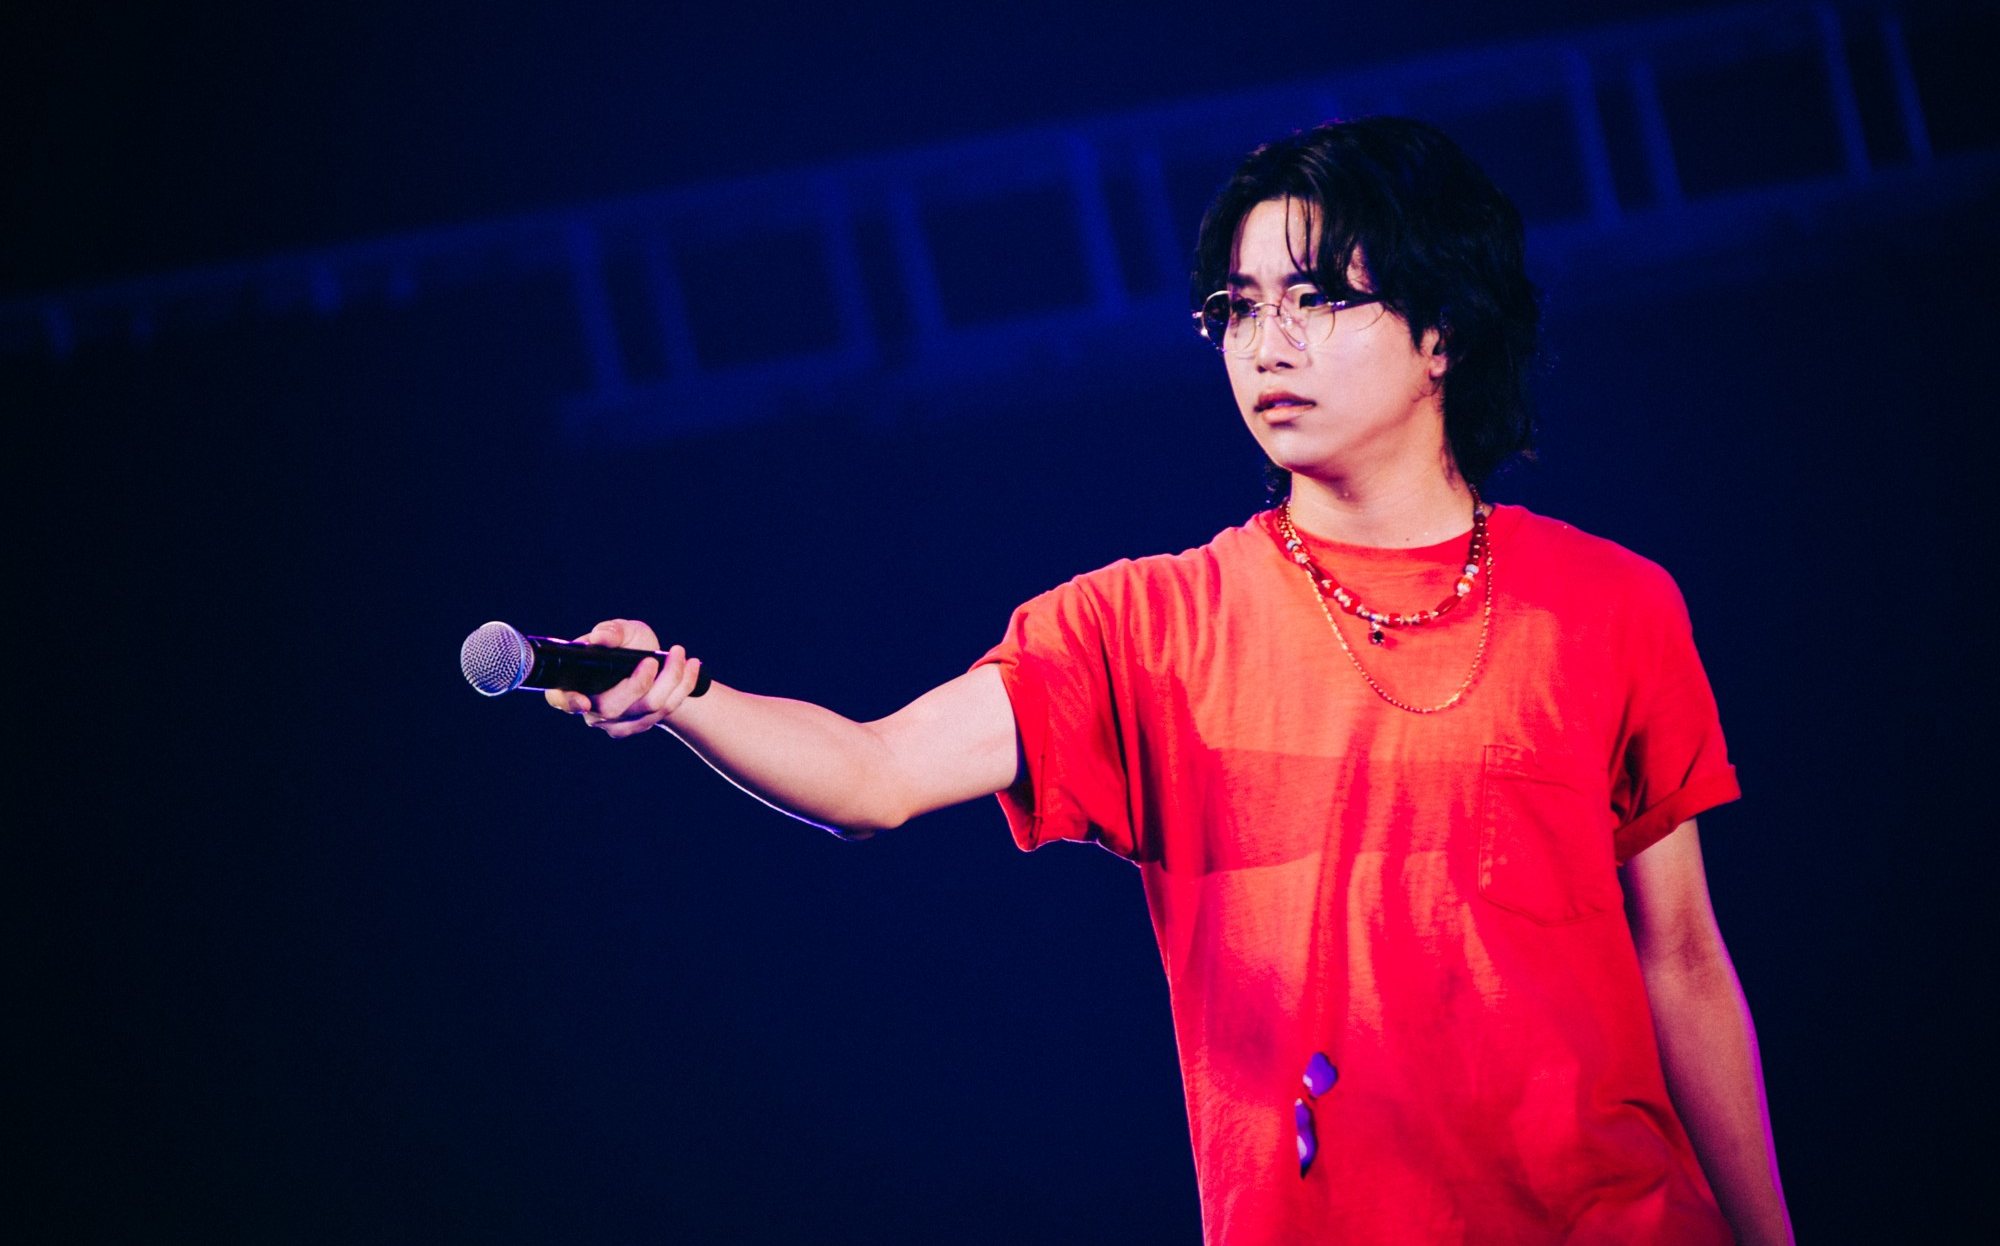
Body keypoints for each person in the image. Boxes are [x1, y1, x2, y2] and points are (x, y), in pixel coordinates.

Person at [546, 116, 1793, 1245]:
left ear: (1440, 334)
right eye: (1236, 308)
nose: (1267, 343)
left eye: (1316, 297)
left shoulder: (1609, 603)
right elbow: (873, 775)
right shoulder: (1143, 627)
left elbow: (1681, 959)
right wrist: (682, 696)